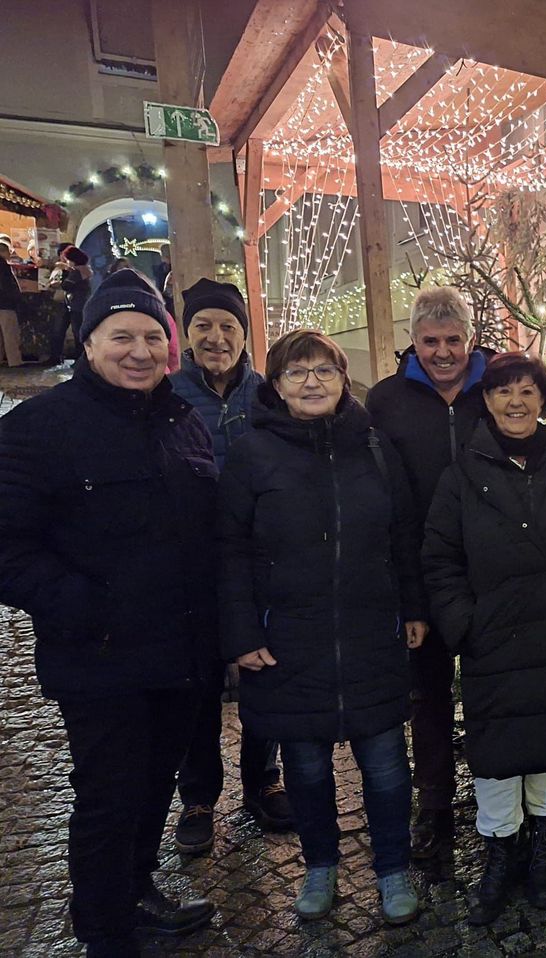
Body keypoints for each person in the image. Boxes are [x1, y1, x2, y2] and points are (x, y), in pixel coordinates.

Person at [0, 268, 219, 958]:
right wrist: (85, 606)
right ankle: (104, 930)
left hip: (180, 650)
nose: (139, 351)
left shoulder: (182, 421)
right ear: (90, 343)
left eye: (153, 337)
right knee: (109, 794)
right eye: (122, 336)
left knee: (155, 783)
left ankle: (135, 890)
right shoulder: (41, 427)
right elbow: (7, 547)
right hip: (98, 656)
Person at [217, 330, 425, 925]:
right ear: (276, 385)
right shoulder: (252, 453)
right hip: (287, 639)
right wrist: (241, 633)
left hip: (370, 632)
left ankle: (393, 869)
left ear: (342, 379)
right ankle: (320, 865)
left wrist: (414, 608)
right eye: (297, 372)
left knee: (386, 765)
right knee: (306, 768)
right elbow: (229, 550)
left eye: (324, 371)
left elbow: (403, 537)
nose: (312, 382)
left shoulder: (374, 448)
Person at [422, 352, 546, 926]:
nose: (516, 402)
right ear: (486, 400)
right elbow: (440, 560)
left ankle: (543, 853)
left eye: (528, 391)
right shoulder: (461, 474)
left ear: (543, 401)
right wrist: (465, 624)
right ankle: (500, 856)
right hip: (495, 642)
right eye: (504, 390)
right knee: (496, 755)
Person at [365, 285, 494, 862]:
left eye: (453, 340)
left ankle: (499, 798)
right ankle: (435, 805)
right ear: (413, 341)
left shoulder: (496, 387)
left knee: (493, 686)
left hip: (492, 567)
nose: (443, 352)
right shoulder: (386, 401)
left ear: (471, 339)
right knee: (429, 695)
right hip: (420, 569)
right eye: (430, 341)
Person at [167, 278, 292, 855]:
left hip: (260, 559)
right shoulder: (166, 396)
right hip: (190, 562)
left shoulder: (268, 394)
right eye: (204, 326)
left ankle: (263, 780)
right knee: (197, 684)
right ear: (187, 334)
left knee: (264, 672)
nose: (216, 338)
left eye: (228, 327)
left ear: (244, 335)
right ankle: (197, 796)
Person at [50, 244, 91, 365]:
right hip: (81, 304)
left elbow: (66, 285)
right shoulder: (85, 269)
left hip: (76, 305)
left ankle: (79, 359)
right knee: (78, 332)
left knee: (77, 332)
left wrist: (62, 275)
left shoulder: (77, 272)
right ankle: (80, 358)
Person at [0, 233, 26, 366]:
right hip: (6, 304)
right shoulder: (3, 266)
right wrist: (17, 298)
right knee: (10, 334)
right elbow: (8, 285)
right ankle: (15, 362)